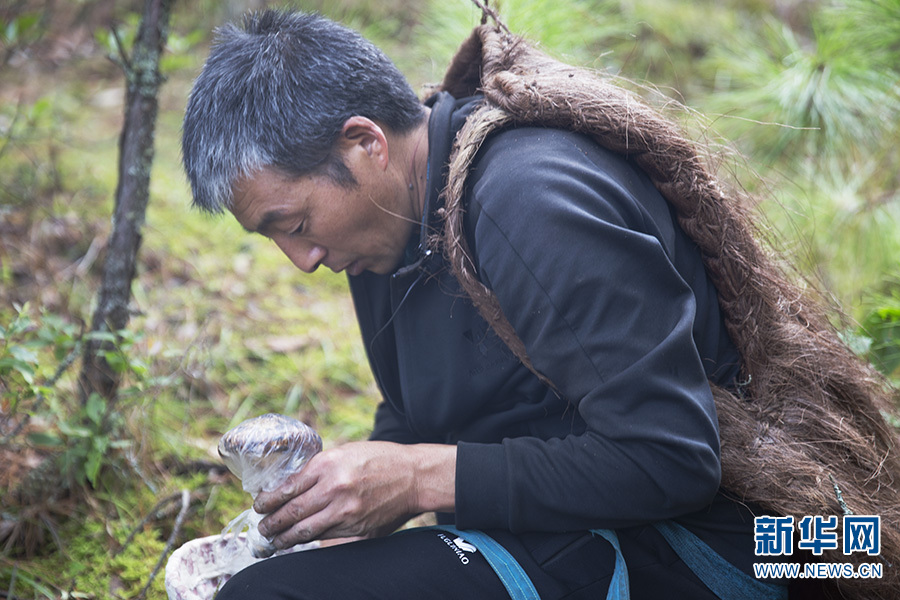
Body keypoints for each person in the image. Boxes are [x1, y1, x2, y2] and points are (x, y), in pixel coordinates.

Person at [181, 8, 900, 600]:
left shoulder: (528, 202)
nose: (301, 260)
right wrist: (345, 503)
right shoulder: (388, 226)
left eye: (295, 224)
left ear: (364, 143)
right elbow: (426, 407)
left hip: (747, 538)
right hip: (580, 525)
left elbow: (672, 460)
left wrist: (415, 478)